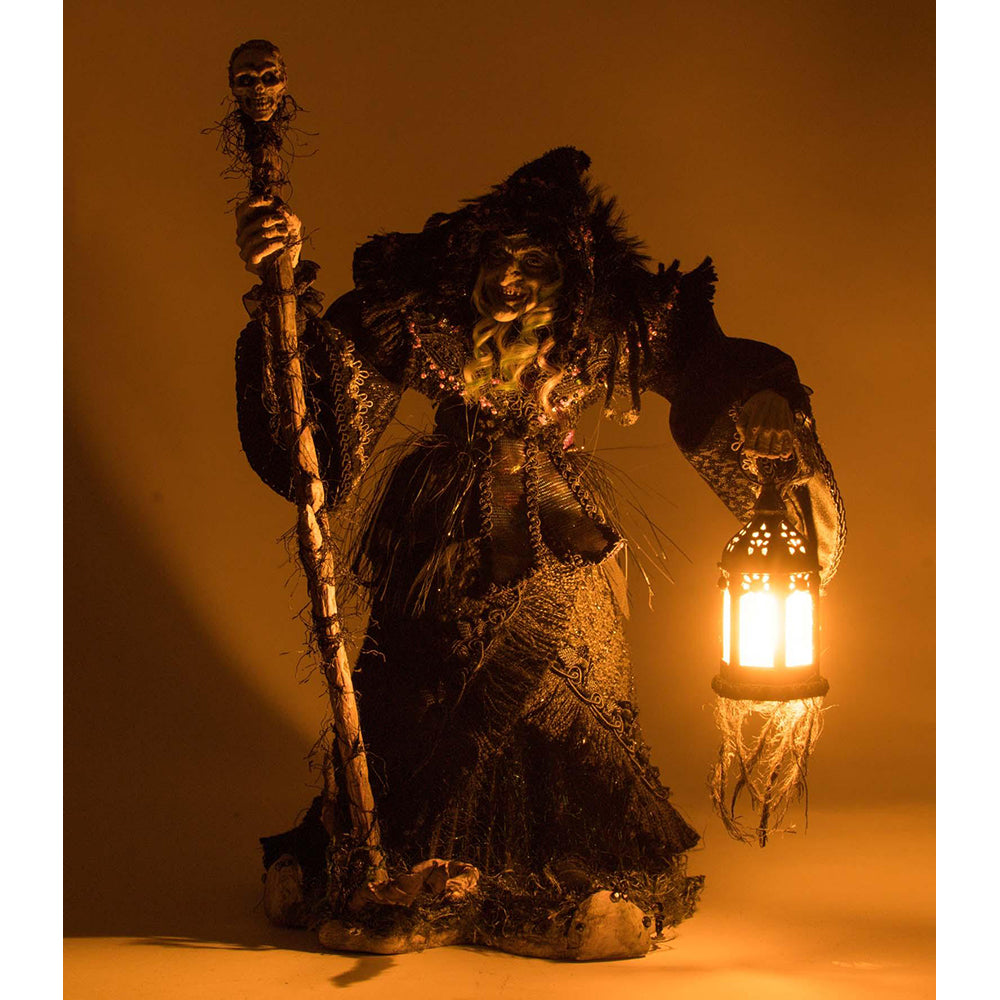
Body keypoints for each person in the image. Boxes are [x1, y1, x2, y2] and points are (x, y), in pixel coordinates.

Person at [234, 147, 844, 958]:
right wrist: (280, 305)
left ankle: (554, 881)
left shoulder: (609, 330)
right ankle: (392, 864)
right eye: (498, 258)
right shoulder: (418, 324)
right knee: (420, 691)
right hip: (440, 534)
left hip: (561, 529)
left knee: (565, 696)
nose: (511, 280)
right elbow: (320, 412)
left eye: (534, 264)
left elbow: (706, 361)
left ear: (570, 275)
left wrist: (761, 396)